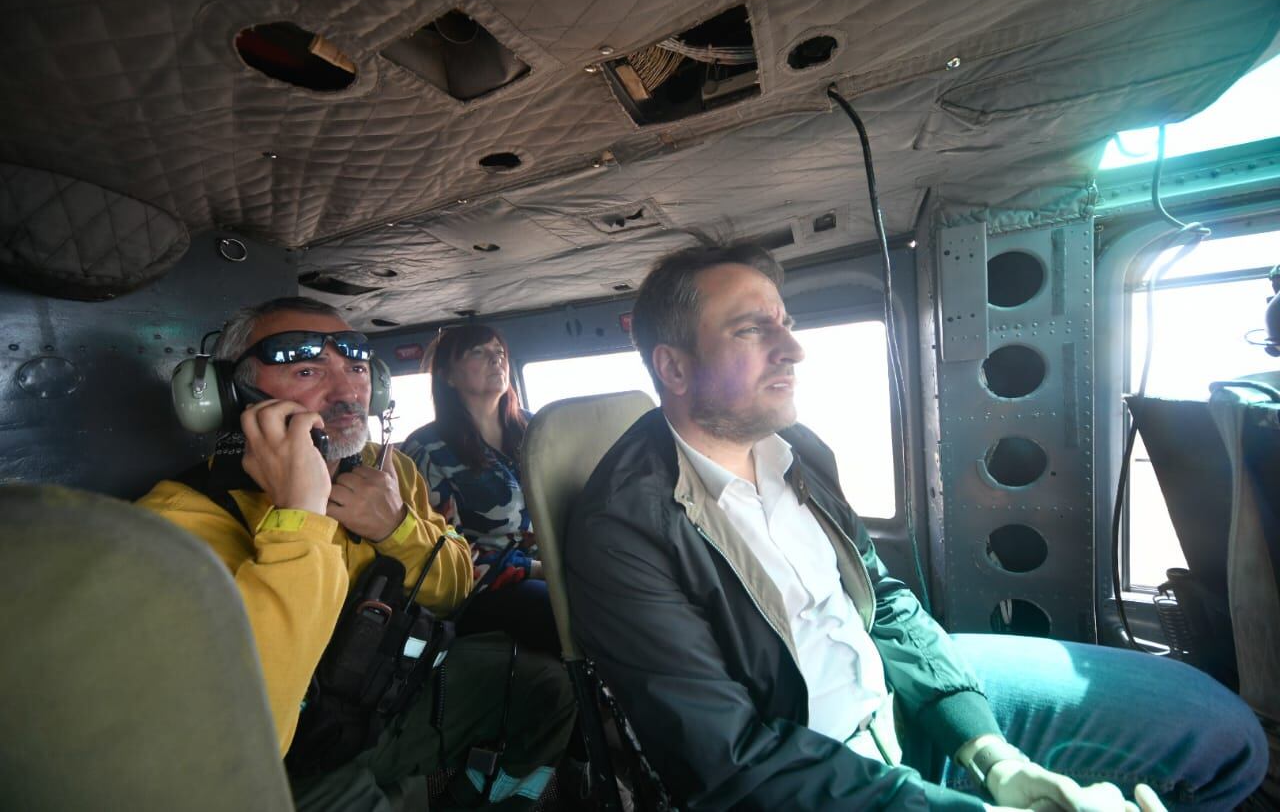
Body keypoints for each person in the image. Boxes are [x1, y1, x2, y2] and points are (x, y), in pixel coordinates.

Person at [564, 245, 1267, 811]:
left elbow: (884, 599)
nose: (794, 350)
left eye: (787, 323)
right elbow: (730, 765)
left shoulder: (796, 451)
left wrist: (990, 751)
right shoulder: (624, 531)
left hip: (898, 696)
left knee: (1229, 740)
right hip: (815, 763)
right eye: (753, 329)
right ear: (675, 367)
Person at [137, 297, 574, 812]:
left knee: (547, 688)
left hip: (396, 692)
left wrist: (397, 527)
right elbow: (238, 731)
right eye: (307, 369)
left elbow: (456, 588)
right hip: (297, 755)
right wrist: (300, 515)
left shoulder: (388, 471)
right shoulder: (174, 524)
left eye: (357, 368)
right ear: (228, 394)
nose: (347, 391)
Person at [402, 325, 557, 653]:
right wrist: (542, 570)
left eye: (499, 353)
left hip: (556, 567)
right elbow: (443, 550)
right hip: (485, 587)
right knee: (558, 609)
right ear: (448, 377)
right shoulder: (428, 449)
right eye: (479, 353)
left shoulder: (536, 429)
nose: (496, 360)